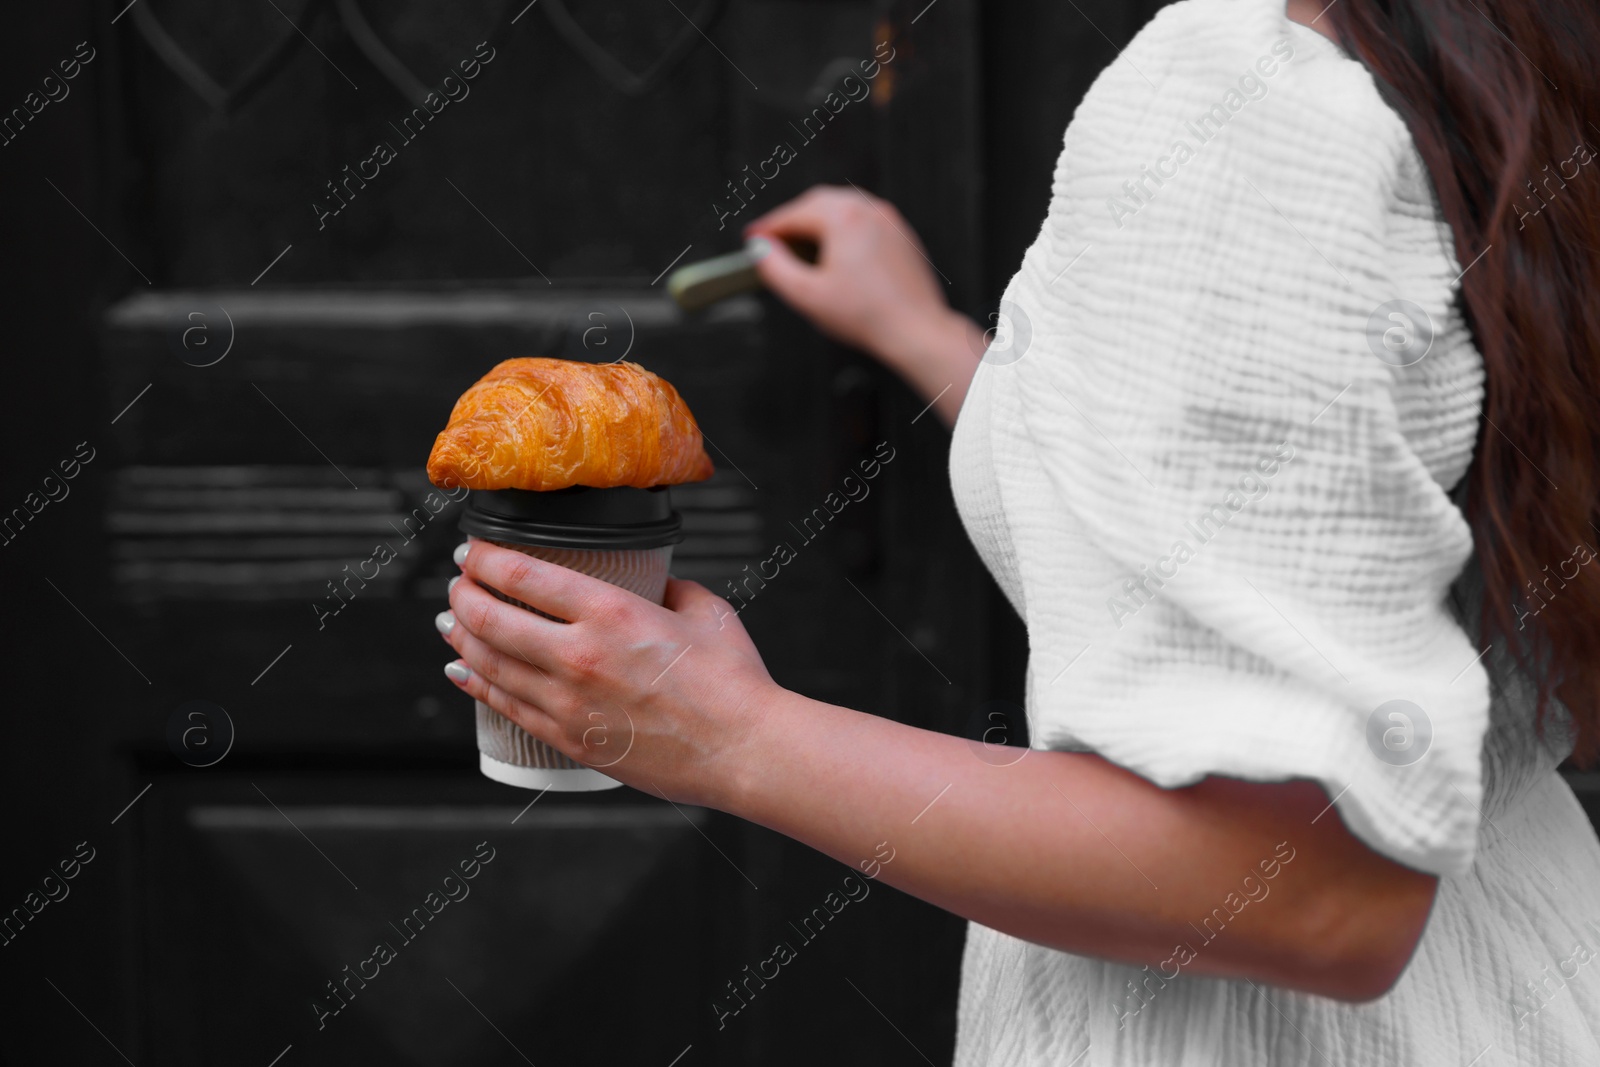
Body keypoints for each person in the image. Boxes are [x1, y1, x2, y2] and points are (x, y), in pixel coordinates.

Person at [434, 0, 1600, 1061]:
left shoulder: (1244, 102)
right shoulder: (1512, 72)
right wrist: (925, 336)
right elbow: (1297, 512)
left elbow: (1313, 888)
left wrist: (724, 731)